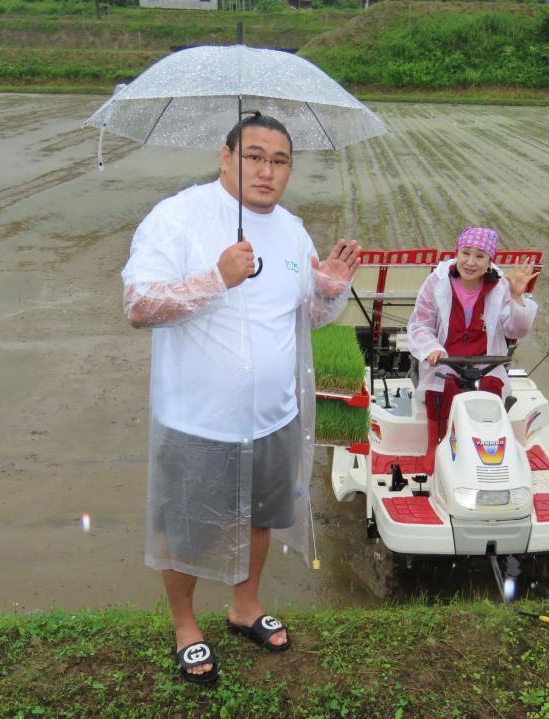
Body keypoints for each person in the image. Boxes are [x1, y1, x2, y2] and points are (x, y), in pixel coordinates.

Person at [121, 113, 359, 684]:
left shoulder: (293, 231)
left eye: (279, 161)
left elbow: (307, 317)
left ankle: (244, 605)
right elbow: (138, 306)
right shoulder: (178, 217)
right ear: (225, 157)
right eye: (254, 156)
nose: (266, 171)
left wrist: (328, 291)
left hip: (274, 417)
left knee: (258, 519)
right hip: (196, 420)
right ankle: (185, 625)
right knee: (186, 530)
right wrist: (215, 278)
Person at [406, 227, 539, 468]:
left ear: (490, 261)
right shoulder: (437, 282)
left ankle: (486, 452)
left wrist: (518, 297)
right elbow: (420, 325)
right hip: (445, 361)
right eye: (465, 253)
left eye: (480, 256)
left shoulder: (500, 286)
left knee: (490, 389)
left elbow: (515, 331)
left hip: (486, 363)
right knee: (443, 389)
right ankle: (435, 445)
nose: (470, 262)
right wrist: (432, 349)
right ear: (456, 252)